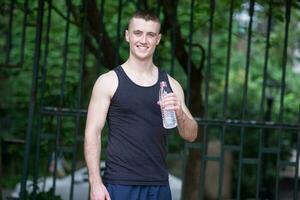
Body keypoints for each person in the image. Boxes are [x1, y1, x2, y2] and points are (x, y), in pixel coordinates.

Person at [84, 10, 198, 200]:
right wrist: (95, 183)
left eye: (150, 34)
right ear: (127, 35)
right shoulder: (108, 81)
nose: (143, 40)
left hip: (159, 185)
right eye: (138, 33)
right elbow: (92, 133)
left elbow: (191, 135)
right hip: (120, 184)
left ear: (158, 39)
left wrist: (179, 112)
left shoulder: (171, 85)